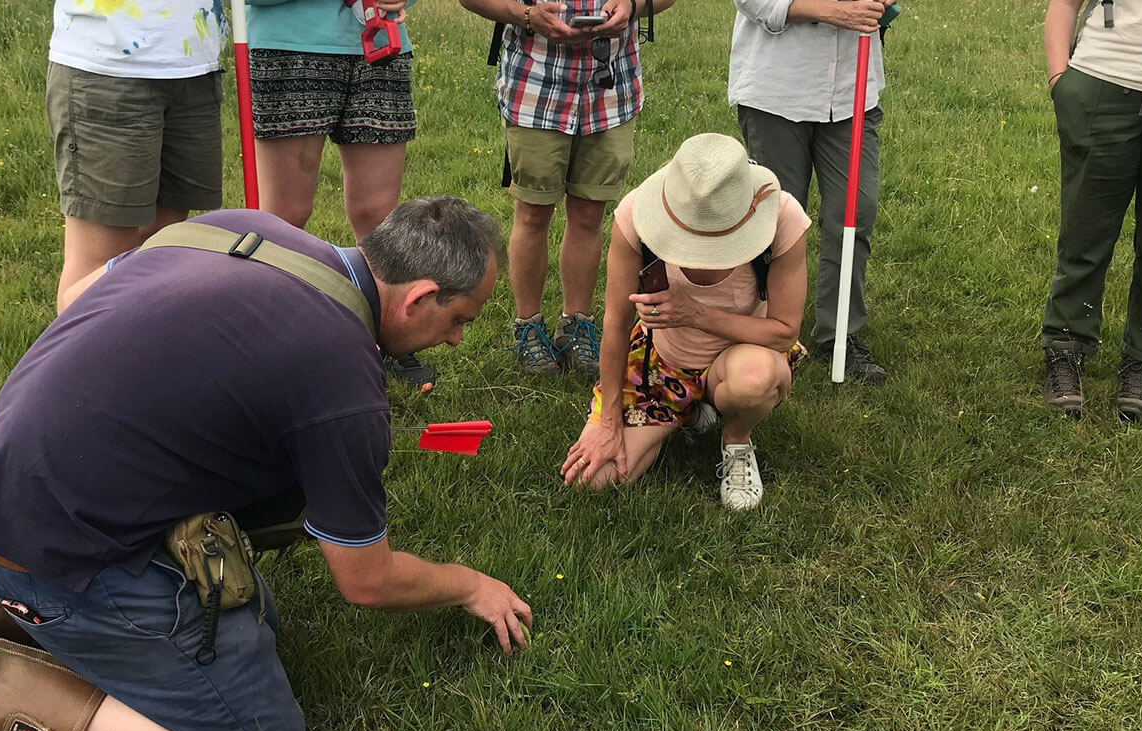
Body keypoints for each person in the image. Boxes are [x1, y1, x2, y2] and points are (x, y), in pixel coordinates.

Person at [0, 197, 533, 731]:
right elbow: (368, 581)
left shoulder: (247, 227)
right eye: (460, 320)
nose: (455, 339)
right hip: (58, 550)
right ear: (418, 297)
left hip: (9, 492)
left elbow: (98, 298)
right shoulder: (341, 385)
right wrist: (472, 586)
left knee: (256, 620)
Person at [561, 134, 810, 511]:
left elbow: (784, 330)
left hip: (741, 357)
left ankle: (736, 440)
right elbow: (615, 323)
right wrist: (609, 420)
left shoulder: (782, 217)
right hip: (660, 363)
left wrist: (694, 313)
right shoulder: (634, 217)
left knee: (755, 380)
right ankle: (689, 413)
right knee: (592, 479)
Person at [459, 0, 675, 378]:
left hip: (611, 90)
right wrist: (527, 17)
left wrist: (633, 5)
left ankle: (576, 323)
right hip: (536, 87)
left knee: (589, 214)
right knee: (532, 212)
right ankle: (528, 325)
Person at [244, 0, 436, 391]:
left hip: (382, 45)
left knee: (379, 216)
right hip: (291, 48)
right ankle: (274, 337)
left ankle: (383, 335)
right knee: (285, 216)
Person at [1040, 0, 1142, 423]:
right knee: (1084, 234)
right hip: (1103, 81)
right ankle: (1065, 349)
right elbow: (1065, 4)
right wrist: (1061, 79)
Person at [728, 0, 897, 384]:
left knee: (855, 211)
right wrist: (830, 11)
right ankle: (764, 332)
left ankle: (840, 333)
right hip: (777, 92)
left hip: (853, 90)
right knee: (775, 223)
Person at [47, 1, 227, 312]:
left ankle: (141, 352)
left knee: (162, 248)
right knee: (100, 267)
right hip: (108, 66)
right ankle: (85, 359)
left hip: (193, 63)